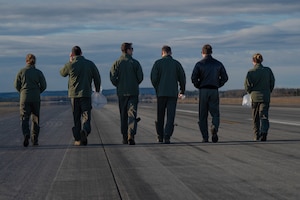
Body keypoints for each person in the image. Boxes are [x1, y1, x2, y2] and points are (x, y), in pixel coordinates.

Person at [60, 46, 101, 146]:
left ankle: (78, 138)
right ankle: (85, 131)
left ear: (72, 54)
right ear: (81, 53)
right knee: (86, 115)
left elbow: (62, 73)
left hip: (74, 96)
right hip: (86, 94)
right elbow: (97, 77)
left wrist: (70, 61)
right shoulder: (89, 64)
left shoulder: (71, 65)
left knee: (76, 117)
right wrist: (97, 90)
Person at [191, 44, 228, 143]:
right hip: (214, 90)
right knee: (215, 113)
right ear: (211, 52)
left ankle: (205, 137)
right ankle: (214, 126)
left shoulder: (199, 64)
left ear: (202, 53)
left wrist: (198, 85)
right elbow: (225, 77)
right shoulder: (218, 64)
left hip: (203, 90)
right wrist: (217, 84)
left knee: (202, 115)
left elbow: (193, 78)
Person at [151, 45, 186, 144]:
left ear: (162, 53)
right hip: (172, 94)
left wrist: (157, 88)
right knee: (170, 116)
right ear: (171, 53)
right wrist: (182, 90)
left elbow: (153, 78)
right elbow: (182, 78)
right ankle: (167, 136)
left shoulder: (157, 63)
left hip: (161, 93)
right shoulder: (176, 64)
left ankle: (160, 136)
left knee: (160, 115)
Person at [14, 54, 47, 147]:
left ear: (26, 61)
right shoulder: (38, 72)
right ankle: (35, 139)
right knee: (35, 119)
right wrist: (38, 91)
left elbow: (16, 84)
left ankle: (26, 134)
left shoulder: (21, 71)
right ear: (34, 61)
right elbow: (44, 85)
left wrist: (22, 91)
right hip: (35, 97)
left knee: (24, 118)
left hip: (24, 97)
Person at [244, 53, 275, 141]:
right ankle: (264, 132)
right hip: (265, 96)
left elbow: (247, 85)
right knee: (264, 115)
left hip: (255, 97)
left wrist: (250, 92)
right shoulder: (268, 70)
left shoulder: (251, 72)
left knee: (255, 117)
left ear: (253, 61)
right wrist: (268, 91)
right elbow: (272, 82)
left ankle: (256, 135)